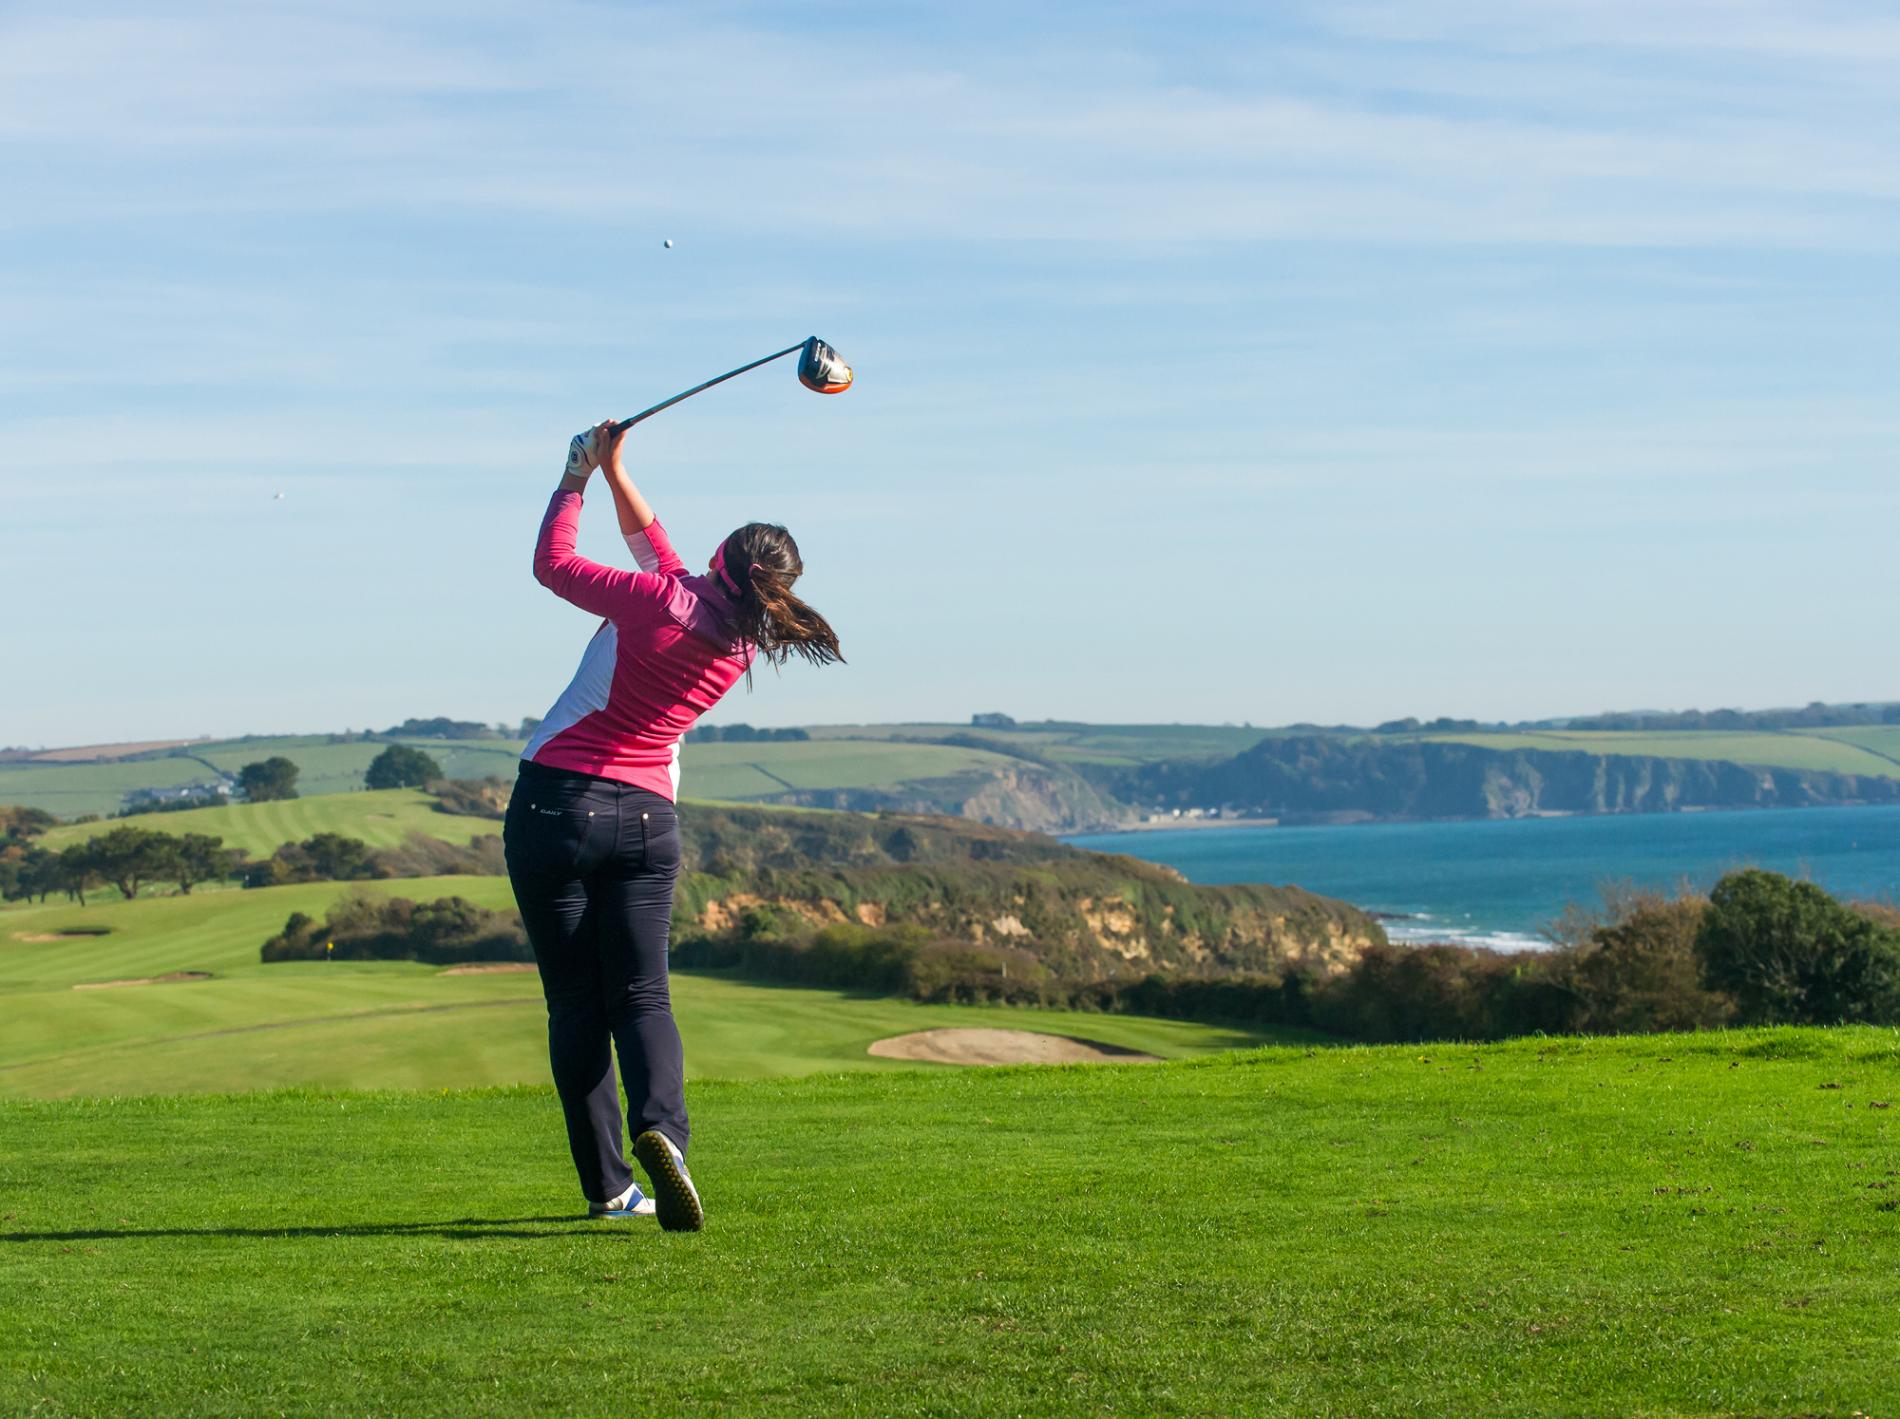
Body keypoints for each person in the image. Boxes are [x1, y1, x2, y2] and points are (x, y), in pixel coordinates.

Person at [504, 421, 843, 1231]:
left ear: (719, 562)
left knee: (576, 1006)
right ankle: (668, 1135)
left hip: (557, 805)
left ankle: (612, 1189)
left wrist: (572, 478)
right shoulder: (740, 642)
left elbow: (552, 565)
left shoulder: (658, 599)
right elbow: (662, 552)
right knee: (643, 994)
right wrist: (618, 469)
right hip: (649, 820)